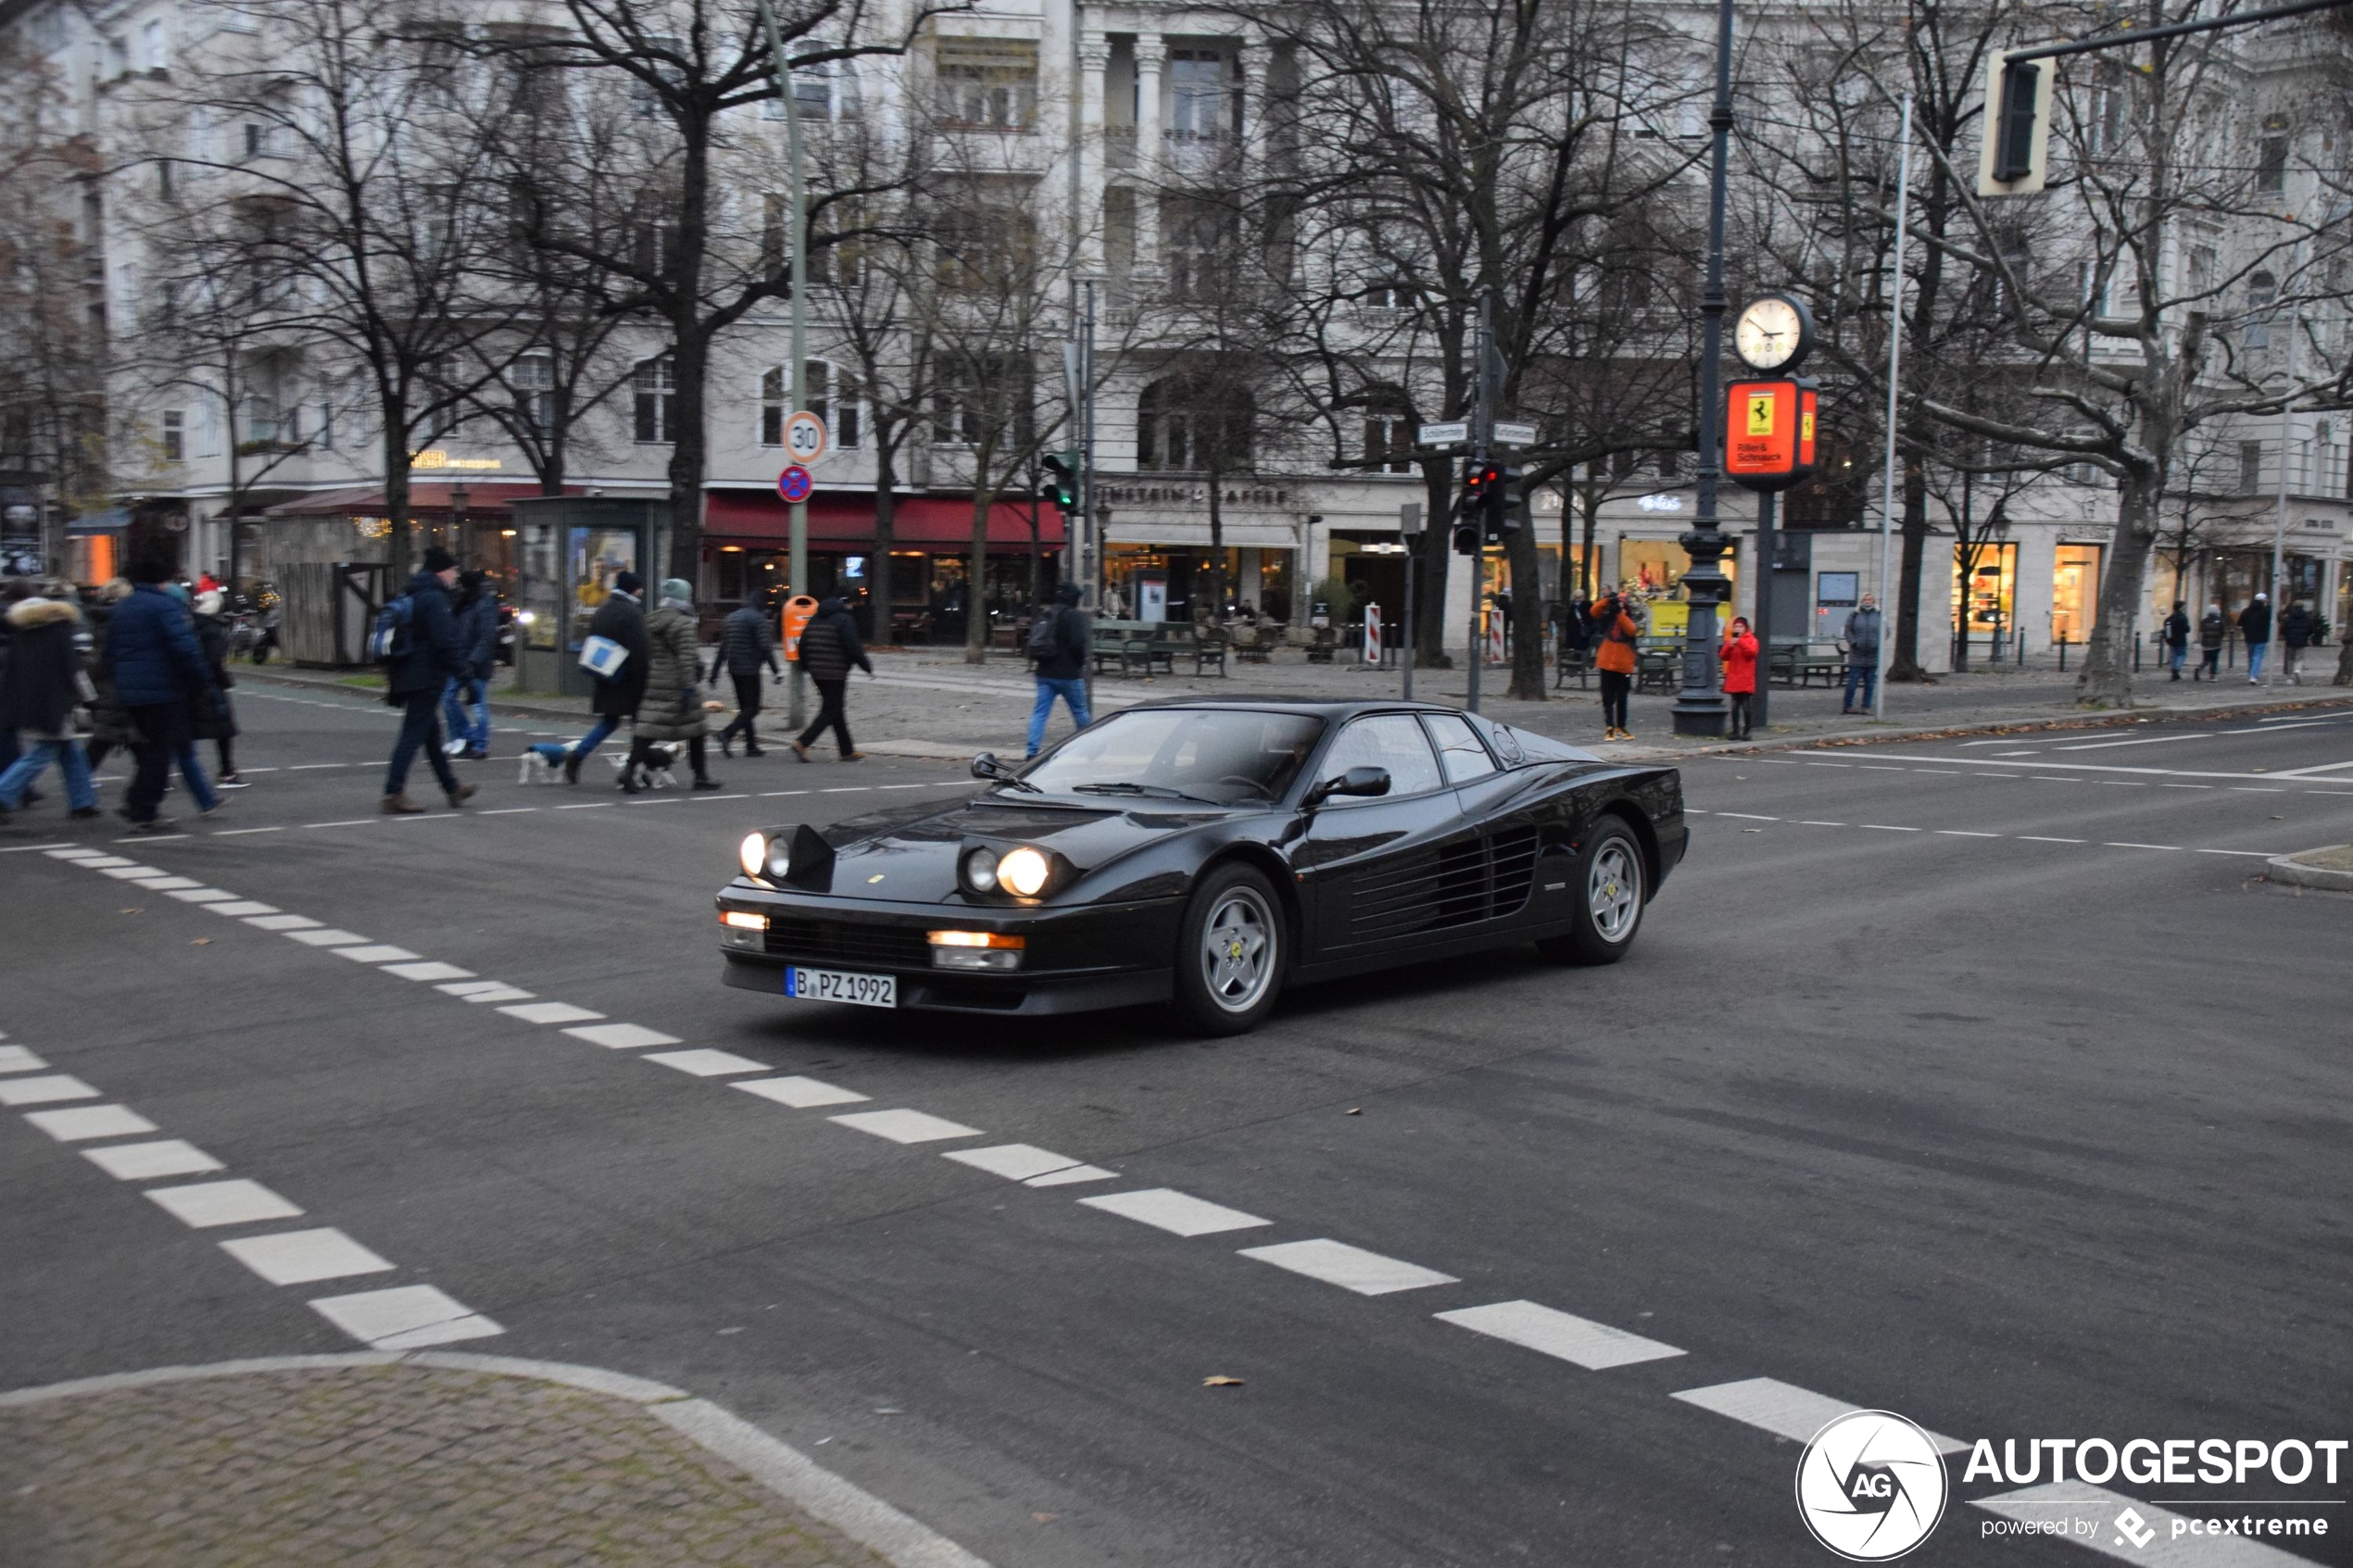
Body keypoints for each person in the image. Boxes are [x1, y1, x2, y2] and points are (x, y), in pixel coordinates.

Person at [106, 558, 223, 833]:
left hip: (130, 690)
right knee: (160, 751)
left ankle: (139, 802)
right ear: (163, 580)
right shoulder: (165, 606)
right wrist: (201, 681)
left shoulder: (123, 607)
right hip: (163, 689)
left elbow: (110, 651)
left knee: (150, 750)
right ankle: (142, 807)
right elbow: (185, 648)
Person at [381, 546, 478, 814]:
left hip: (409, 672)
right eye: (453, 571)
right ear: (442, 571)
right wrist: (466, 676)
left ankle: (452, 787)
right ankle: (394, 791)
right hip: (425, 676)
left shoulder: (413, 591)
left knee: (431, 735)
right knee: (412, 734)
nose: (455, 576)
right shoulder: (434, 599)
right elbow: (445, 642)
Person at [0, 583, 100, 822]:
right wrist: (90, 698)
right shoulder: (60, 631)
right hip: (55, 702)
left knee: (69, 752)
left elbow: (11, 672)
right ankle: (3, 794)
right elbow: (73, 669)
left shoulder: (22, 633)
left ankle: (82, 801)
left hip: (29, 701)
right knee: (44, 753)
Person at [629, 578, 722, 791]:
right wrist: (689, 686)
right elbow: (686, 658)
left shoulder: (651, 620)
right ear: (683, 597)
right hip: (678, 682)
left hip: (656, 680)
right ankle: (701, 776)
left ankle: (628, 771)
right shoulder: (683, 623)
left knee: (649, 729)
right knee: (697, 729)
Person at [564, 570, 649, 784]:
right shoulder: (632, 613)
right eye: (639, 588)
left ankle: (578, 754)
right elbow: (640, 651)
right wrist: (644, 679)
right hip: (628, 678)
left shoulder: (603, 609)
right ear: (633, 589)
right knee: (641, 726)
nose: (641, 591)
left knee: (610, 721)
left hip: (606, 673)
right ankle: (635, 769)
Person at [793, 593, 873, 762]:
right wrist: (867, 667)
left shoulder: (813, 620)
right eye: (850, 605)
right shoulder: (844, 620)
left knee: (835, 708)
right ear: (843, 606)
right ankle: (803, 742)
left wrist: (807, 666)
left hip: (816, 673)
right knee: (831, 709)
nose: (852, 607)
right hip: (835, 672)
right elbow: (854, 646)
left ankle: (847, 750)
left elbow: (802, 646)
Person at [1025, 581, 1091, 759]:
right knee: (1080, 711)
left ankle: (1031, 751)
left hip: (1045, 672)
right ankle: (1089, 746)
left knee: (1040, 713)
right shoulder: (1074, 616)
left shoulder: (1047, 612)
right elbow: (1078, 644)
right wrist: (1079, 664)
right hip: (1068, 673)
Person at [711, 595, 781, 757]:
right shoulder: (758, 619)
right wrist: (776, 671)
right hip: (750, 668)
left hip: (734, 668)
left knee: (745, 708)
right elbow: (765, 647)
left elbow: (723, 647)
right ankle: (727, 733)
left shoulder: (732, 617)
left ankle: (751, 745)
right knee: (753, 708)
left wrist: (714, 673)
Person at [439, 570, 496, 760]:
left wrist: (473, 661)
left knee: (477, 705)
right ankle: (465, 738)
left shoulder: (483, 604)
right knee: (448, 698)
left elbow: (486, 638)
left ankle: (479, 745)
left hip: (476, 665)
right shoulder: (465, 603)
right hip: (461, 662)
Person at [190, 588, 245, 786]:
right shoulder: (214, 629)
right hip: (210, 683)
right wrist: (223, 679)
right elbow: (214, 660)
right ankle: (227, 771)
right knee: (224, 728)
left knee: (183, 730)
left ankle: (162, 776)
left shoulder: (193, 624)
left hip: (192, 682)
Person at [81, 579, 134, 771]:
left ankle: (81, 782)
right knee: (136, 739)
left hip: (105, 684)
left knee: (104, 737)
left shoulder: (98, 618)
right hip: (122, 683)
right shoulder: (122, 620)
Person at [1592, 590, 1639, 742]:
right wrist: (1607, 601)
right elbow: (1593, 611)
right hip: (1606, 663)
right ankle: (1610, 726)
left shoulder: (1627, 620)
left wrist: (1620, 614)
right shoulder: (1607, 619)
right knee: (1608, 697)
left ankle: (1621, 725)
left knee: (1622, 697)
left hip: (1624, 665)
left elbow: (1630, 630)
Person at [1842, 593, 1882, 713]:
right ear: (1861, 600)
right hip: (1857, 654)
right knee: (1853, 681)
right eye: (1865, 599)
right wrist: (1854, 643)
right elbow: (1847, 630)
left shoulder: (1879, 615)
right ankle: (1847, 706)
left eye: (1870, 599)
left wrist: (1877, 643)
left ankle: (1866, 706)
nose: (1868, 601)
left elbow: (1885, 630)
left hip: (1873, 654)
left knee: (1870, 682)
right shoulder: (1854, 614)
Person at [1721, 615, 1759, 741]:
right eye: (1736, 626)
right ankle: (1735, 731)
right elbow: (1723, 655)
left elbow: (1751, 653)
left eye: (1740, 626)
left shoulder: (1751, 640)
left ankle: (1747, 731)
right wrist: (1730, 645)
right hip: (1734, 676)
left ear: (1745, 628)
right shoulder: (1732, 640)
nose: (1738, 628)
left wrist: (1740, 642)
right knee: (1734, 706)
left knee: (1746, 705)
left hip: (1745, 677)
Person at [2280, 600, 2316, 685]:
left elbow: (2283, 629)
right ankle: (2298, 670)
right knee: (2299, 658)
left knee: (2290, 659)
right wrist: (2306, 635)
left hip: (2290, 641)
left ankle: (2289, 677)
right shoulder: (2307, 617)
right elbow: (2311, 629)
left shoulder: (2289, 618)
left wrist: (2286, 635)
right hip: (2302, 640)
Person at [2239, 592, 2271, 684]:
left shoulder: (2246, 611)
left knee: (2251, 656)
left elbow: (2240, 623)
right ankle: (2253, 676)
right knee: (2257, 656)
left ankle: (2251, 672)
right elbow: (2272, 619)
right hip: (2261, 637)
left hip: (2249, 637)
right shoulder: (2266, 611)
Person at [2162, 600, 2191, 682]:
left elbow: (2166, 628)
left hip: (2172, 640)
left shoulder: (2170, 618)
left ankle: (2174, 670)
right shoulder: (2183, 618)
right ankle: (2176, 670)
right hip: (2181, 639)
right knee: (2181, 655)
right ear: (2181, 608)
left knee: (2174, 656)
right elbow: (2187, 629)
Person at [2196, 601, 2225, 680]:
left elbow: (2202, 630)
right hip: (2216, 643)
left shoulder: (2204, 621)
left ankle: (2199, 668)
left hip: (2205, 643)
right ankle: (2212, 676)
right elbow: (2222, 631)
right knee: (2214, 660)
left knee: (2206, 659)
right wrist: (2220, 638)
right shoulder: (2220, 620)